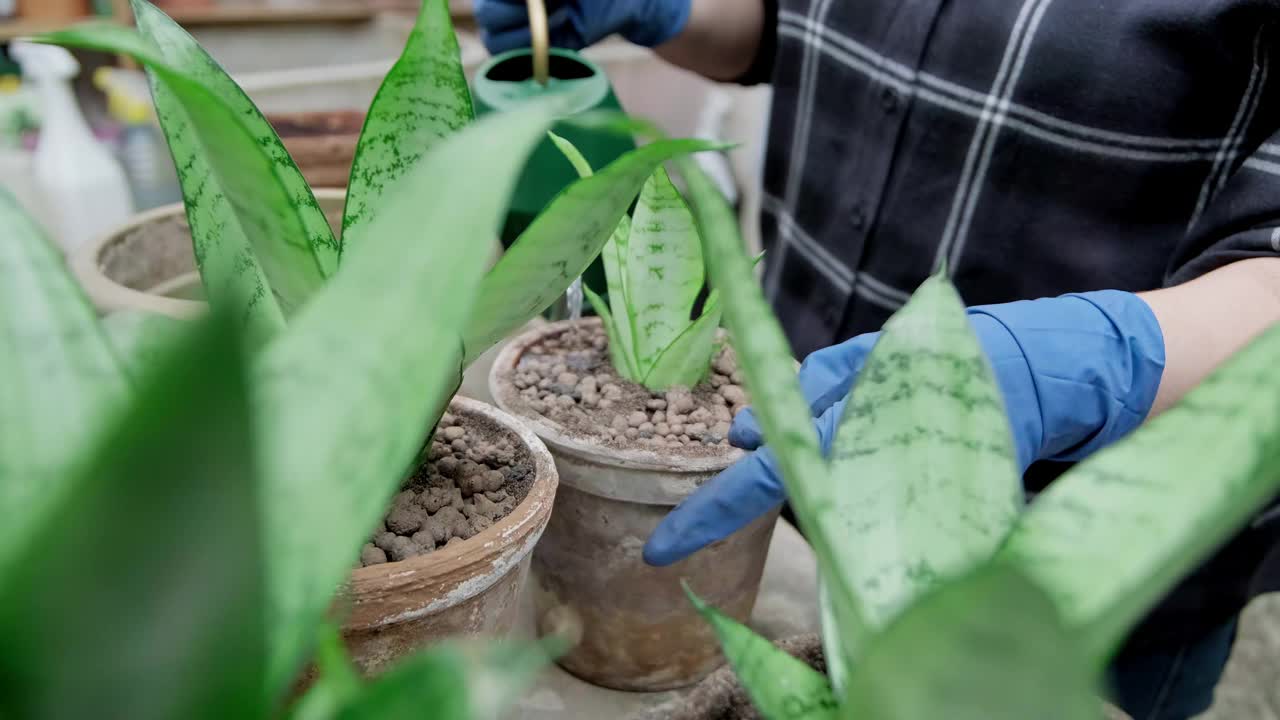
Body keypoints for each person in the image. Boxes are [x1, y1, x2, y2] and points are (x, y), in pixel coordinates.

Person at [474, 1, 1280, 717]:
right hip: (803, 435)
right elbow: (794, 30)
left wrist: (1105, 358)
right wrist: (685, 11)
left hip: (1096, 538)